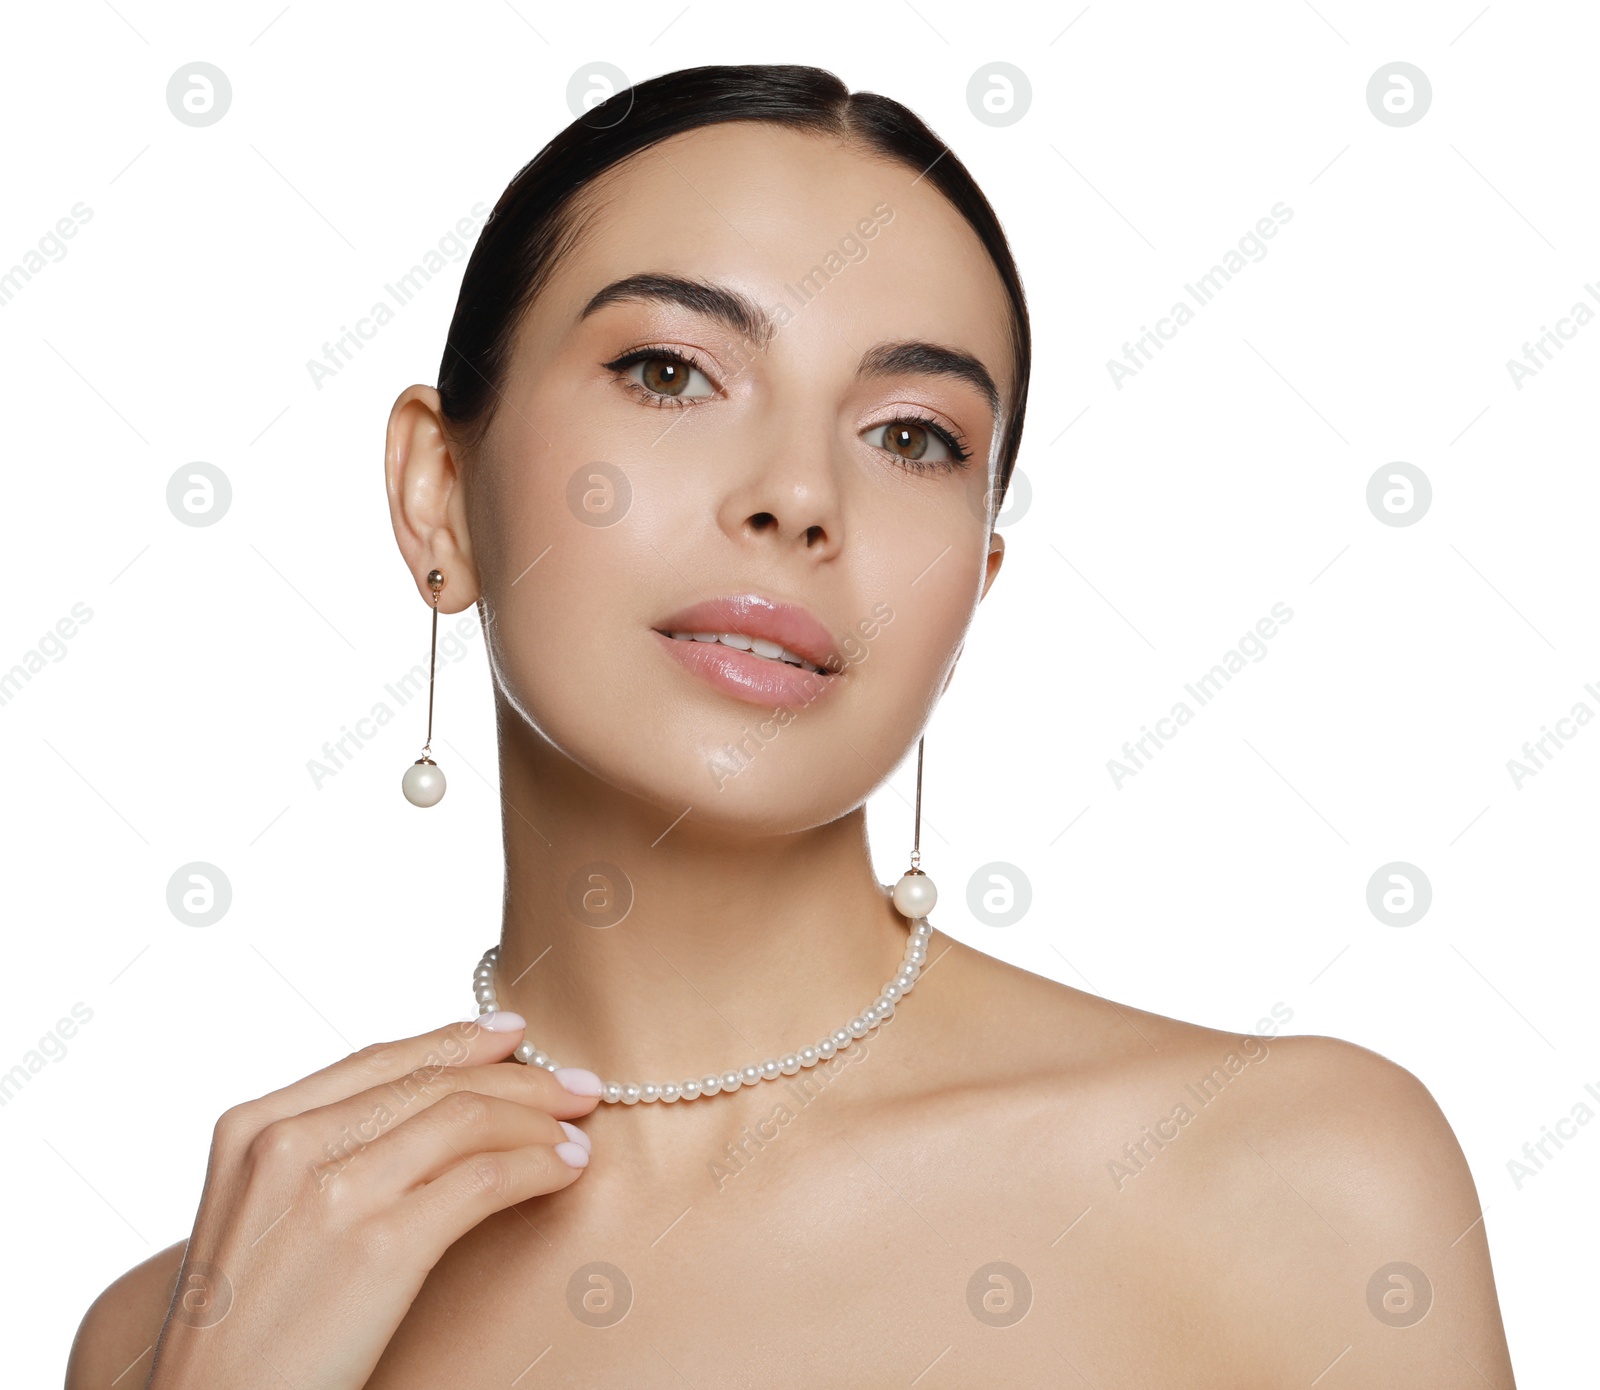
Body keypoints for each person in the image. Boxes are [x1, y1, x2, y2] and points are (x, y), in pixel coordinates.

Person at [66, 63, 1515, 1387]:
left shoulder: (1294, 1182)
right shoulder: (179, 1320)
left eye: (913, 436)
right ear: (438, 494)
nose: (799, 495)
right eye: (670, 370)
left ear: (972, 586)